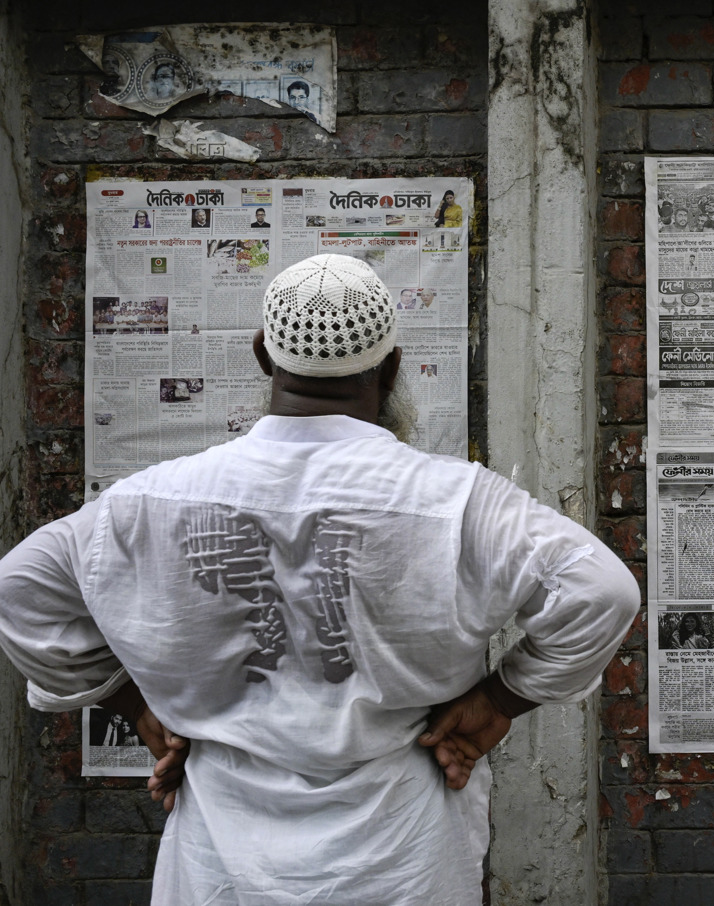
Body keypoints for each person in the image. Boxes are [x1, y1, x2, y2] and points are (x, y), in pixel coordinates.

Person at [0, 254, 639, 905]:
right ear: (390, 368)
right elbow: (602, 592)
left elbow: (19, 588)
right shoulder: (458, 500)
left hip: (220, 866)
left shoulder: (159, 498)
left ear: (262, 355)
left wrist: (130, 706)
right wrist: (498, 703)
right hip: (401, 862)